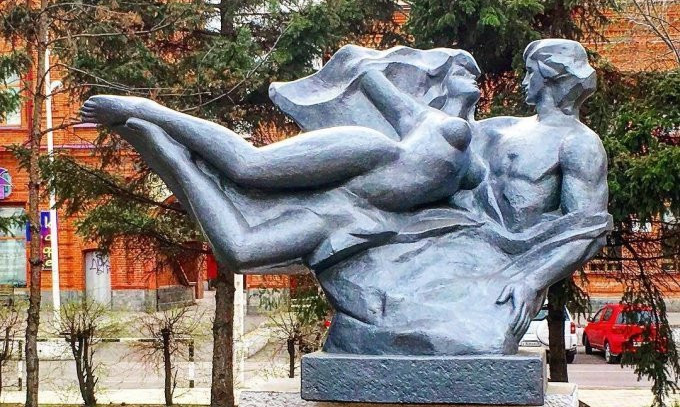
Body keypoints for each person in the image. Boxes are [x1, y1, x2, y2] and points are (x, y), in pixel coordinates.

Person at [81, 63, 480, 271]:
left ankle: (172, 158)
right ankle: (149, 110)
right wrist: (354, 63)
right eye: (464, 73)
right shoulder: (433, 121)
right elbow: (371, 81)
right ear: (443, 79)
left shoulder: (478, 150)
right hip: (366, 153)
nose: (475, 80)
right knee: (248, 165)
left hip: (352, 211)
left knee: (242, 252)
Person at [469, 39, 609, 338]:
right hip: (469, 245)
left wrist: (532, 281)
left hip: (516, 267)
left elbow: (589, 231)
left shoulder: (579, 144)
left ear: (551, 77)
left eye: (530, 72)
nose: (523, 81)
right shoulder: (501, 129)